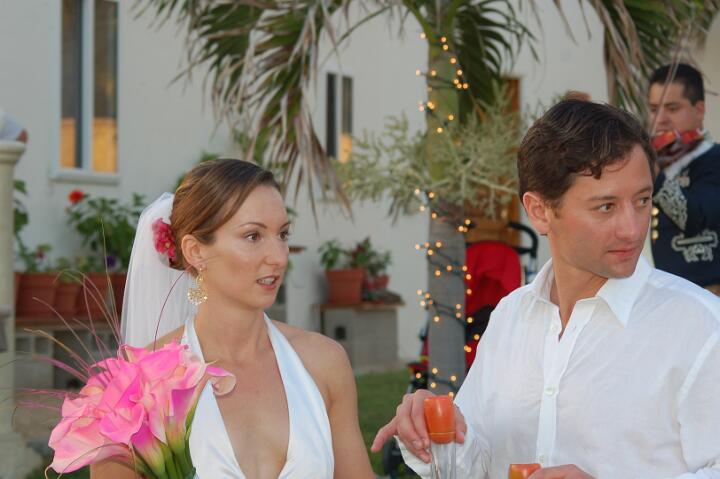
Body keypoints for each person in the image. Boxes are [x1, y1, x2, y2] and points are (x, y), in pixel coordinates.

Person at [371, 100, 720, 478]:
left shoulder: (701, 327)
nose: (633, 228)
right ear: (539, 211)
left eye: (642, 200)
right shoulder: (510, 317)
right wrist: (433, 431)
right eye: (606, 207)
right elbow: (478, 464)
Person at [95, 159, 374, 478]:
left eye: (283, 234)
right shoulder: (140, 385)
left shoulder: (324, 363)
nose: (279, 257)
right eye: (253, 236)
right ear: (195, 252)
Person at [647, 63, 720, 295]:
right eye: (654, 109)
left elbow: (693, 218)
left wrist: (656, 175)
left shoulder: (714, 159)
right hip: (668, 293)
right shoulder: (661, 161)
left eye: (672, 108)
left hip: (709, 294)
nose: (660, 119)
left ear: (699, 110)